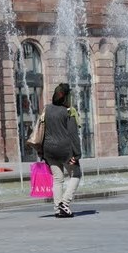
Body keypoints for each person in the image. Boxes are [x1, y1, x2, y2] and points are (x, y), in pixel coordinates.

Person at [41, 83, 82, 218]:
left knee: (58, 179)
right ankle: (64, 203)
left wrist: (41, 152)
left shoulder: (47, 109)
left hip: (49, 150)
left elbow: (42, 130)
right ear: (66, 97)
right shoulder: (69, 111)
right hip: (65, 151)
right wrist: (77, 154)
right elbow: (73, 134)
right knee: (76, 174)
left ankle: (58, 209)